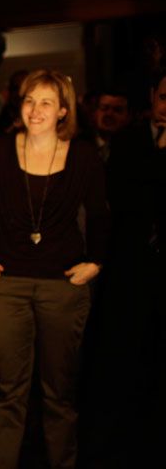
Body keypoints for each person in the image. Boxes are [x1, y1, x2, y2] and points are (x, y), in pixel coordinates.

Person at [0, 70, 109, 469]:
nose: (36, 110)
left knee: (59, 392)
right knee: (9, 389)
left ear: (63, 109)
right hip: (8, 283)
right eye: (30, 100)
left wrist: (95, 263)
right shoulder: (0, 150)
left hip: (63, 284)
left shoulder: (82, 154)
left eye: (47, 102)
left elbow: (100, 215)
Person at [101, 69, 166, 465]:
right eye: (163, 98)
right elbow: (120, 199)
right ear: (153, 98)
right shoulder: (128, 141)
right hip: (131, 269)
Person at [91, 90, 131, 161]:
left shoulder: (136, 148)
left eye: (117, 110)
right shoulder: (79, 147)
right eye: (104, 108)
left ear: (128, 116)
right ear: (95, 112)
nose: (109, 114)